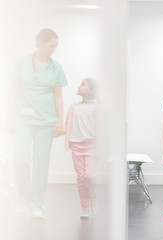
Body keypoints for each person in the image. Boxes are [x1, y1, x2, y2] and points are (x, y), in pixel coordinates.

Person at [7, 28, 67, 218]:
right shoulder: (22, 63)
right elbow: (13, 91)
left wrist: (60, 121)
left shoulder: (56, 66)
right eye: (51, 46)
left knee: (41, 163)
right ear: (40, 43)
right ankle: (23, 198)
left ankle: (37, 205)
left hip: (46, 121)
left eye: (55, 47)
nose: (53, 50)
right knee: (20, 158)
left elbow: (58, 95)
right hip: (23, 119)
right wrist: (9, 116)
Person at [65, 78, 100, 219]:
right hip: (76, 146)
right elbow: (68, 124)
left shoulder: (97, 108)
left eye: (83, 84)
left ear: (91, 90)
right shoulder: (73, 106)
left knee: (89, 176)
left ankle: (94, 202)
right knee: (81, 178)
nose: (79, 86)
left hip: (91, 145)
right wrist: (66, 140)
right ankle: (85, 208)